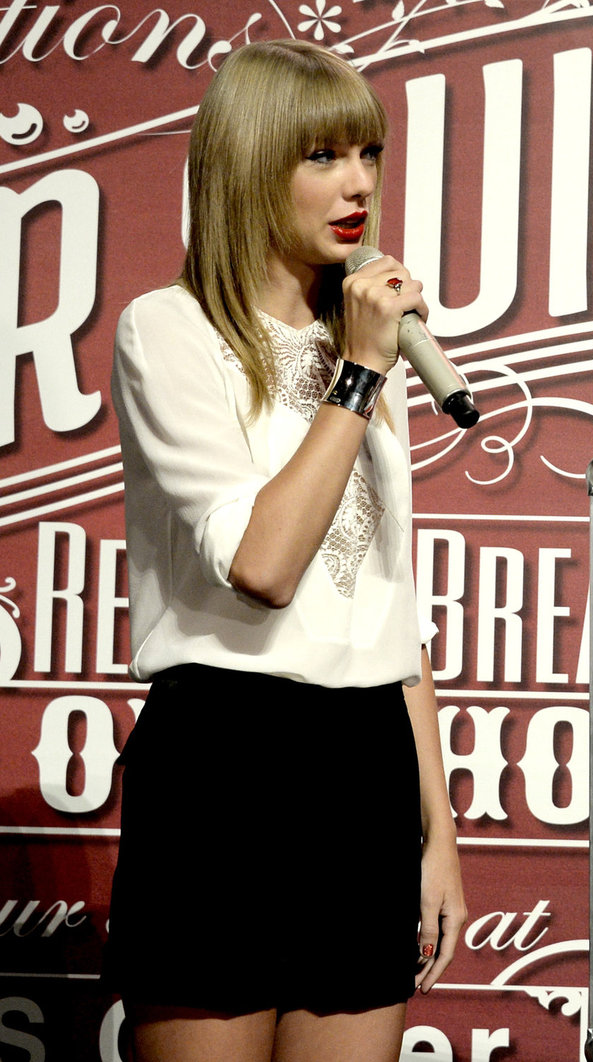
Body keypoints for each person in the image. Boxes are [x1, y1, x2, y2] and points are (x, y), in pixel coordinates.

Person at [105, 40, 466, 1062]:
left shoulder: (366, 346)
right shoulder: (168, 332)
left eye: (368, 153)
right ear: (251, 164)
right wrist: (354, 376)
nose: (356, 184)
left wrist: (434, 833)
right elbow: (260, 567)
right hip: (225, 762)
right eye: (320, 155)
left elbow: (389, 619)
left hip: (363, 771)